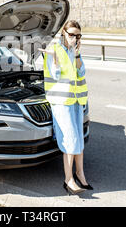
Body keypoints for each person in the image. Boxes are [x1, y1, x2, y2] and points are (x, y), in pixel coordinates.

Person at [42, 20, 92, 195]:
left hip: (77, 100)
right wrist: (54, 57)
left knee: (78, 139)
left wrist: (77, 54)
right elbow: (55, 75)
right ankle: (68, 179)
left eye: (78, 35)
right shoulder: (53, 50)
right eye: (71, 35)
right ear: (63, 33)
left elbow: (81, 72)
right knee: (70, 139)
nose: (74, 38)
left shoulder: (74, 51)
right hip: (61, 101)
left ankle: (81, 174)